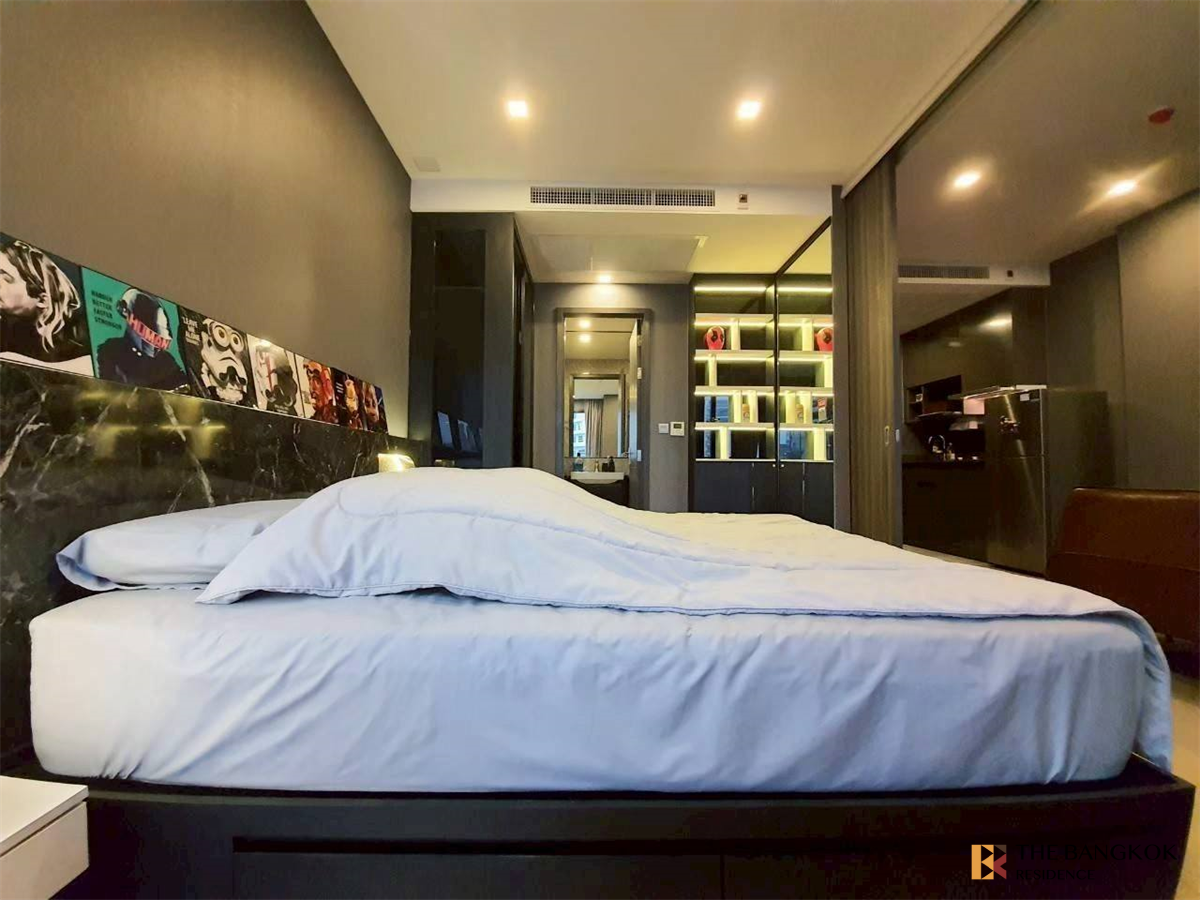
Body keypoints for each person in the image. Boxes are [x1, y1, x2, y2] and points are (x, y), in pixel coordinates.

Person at [0, 236, 92, 374]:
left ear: (42, 300)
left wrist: (19, 363)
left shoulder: (79, 332)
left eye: (6, 278)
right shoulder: (8, 328)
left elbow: (100, 367)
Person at [95, 289, 186, 389]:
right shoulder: (110, 350)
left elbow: (183, 385)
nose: (157, 347)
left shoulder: (166, 360)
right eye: (153, 337)